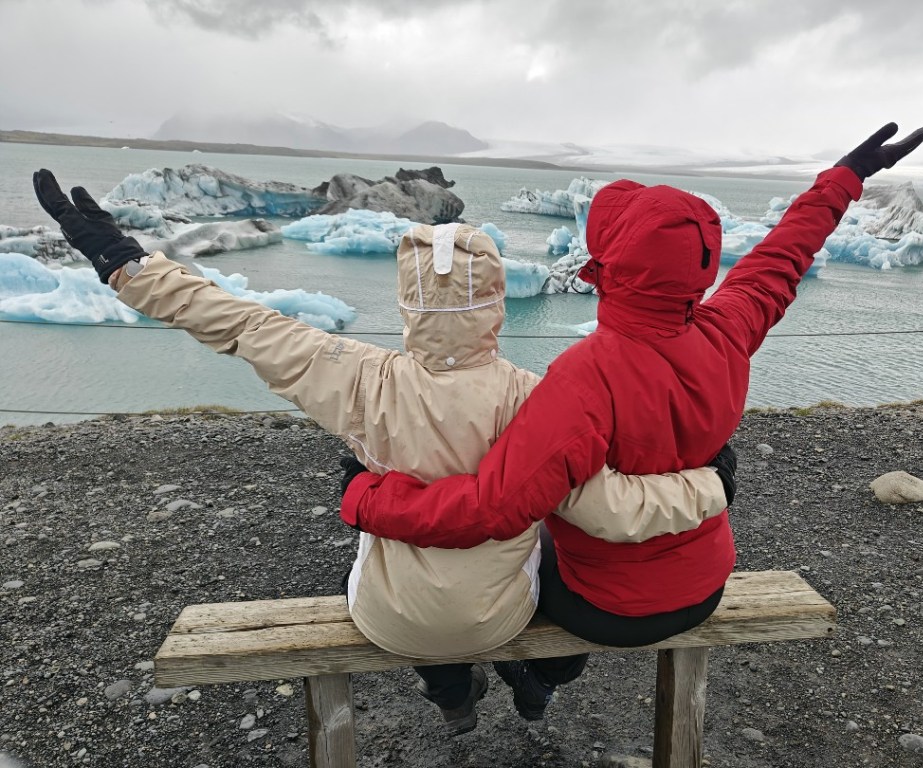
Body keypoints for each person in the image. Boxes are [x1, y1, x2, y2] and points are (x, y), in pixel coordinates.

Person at [31, 172, 737, 734]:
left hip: (386, 618)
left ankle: (450, 696)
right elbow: (604, 503)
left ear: (406, 302)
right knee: (561, 547)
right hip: (500, 615)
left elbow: (240, 324)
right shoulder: (540, 397)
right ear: (497, 302)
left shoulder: (357, 378)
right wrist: (708, 485)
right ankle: (536, 682)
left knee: (381, 537)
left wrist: (123, 263)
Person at [337, 123, 923, 717]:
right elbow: (783, 255)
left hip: (608, 609)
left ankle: (485, 681)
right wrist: (845, 177)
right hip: (705, 588)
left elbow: (493, 509)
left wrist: (366, 498)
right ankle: (539, 683)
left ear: (607, 266)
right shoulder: (729, 330)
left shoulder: (583, 379)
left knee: (510, 557)